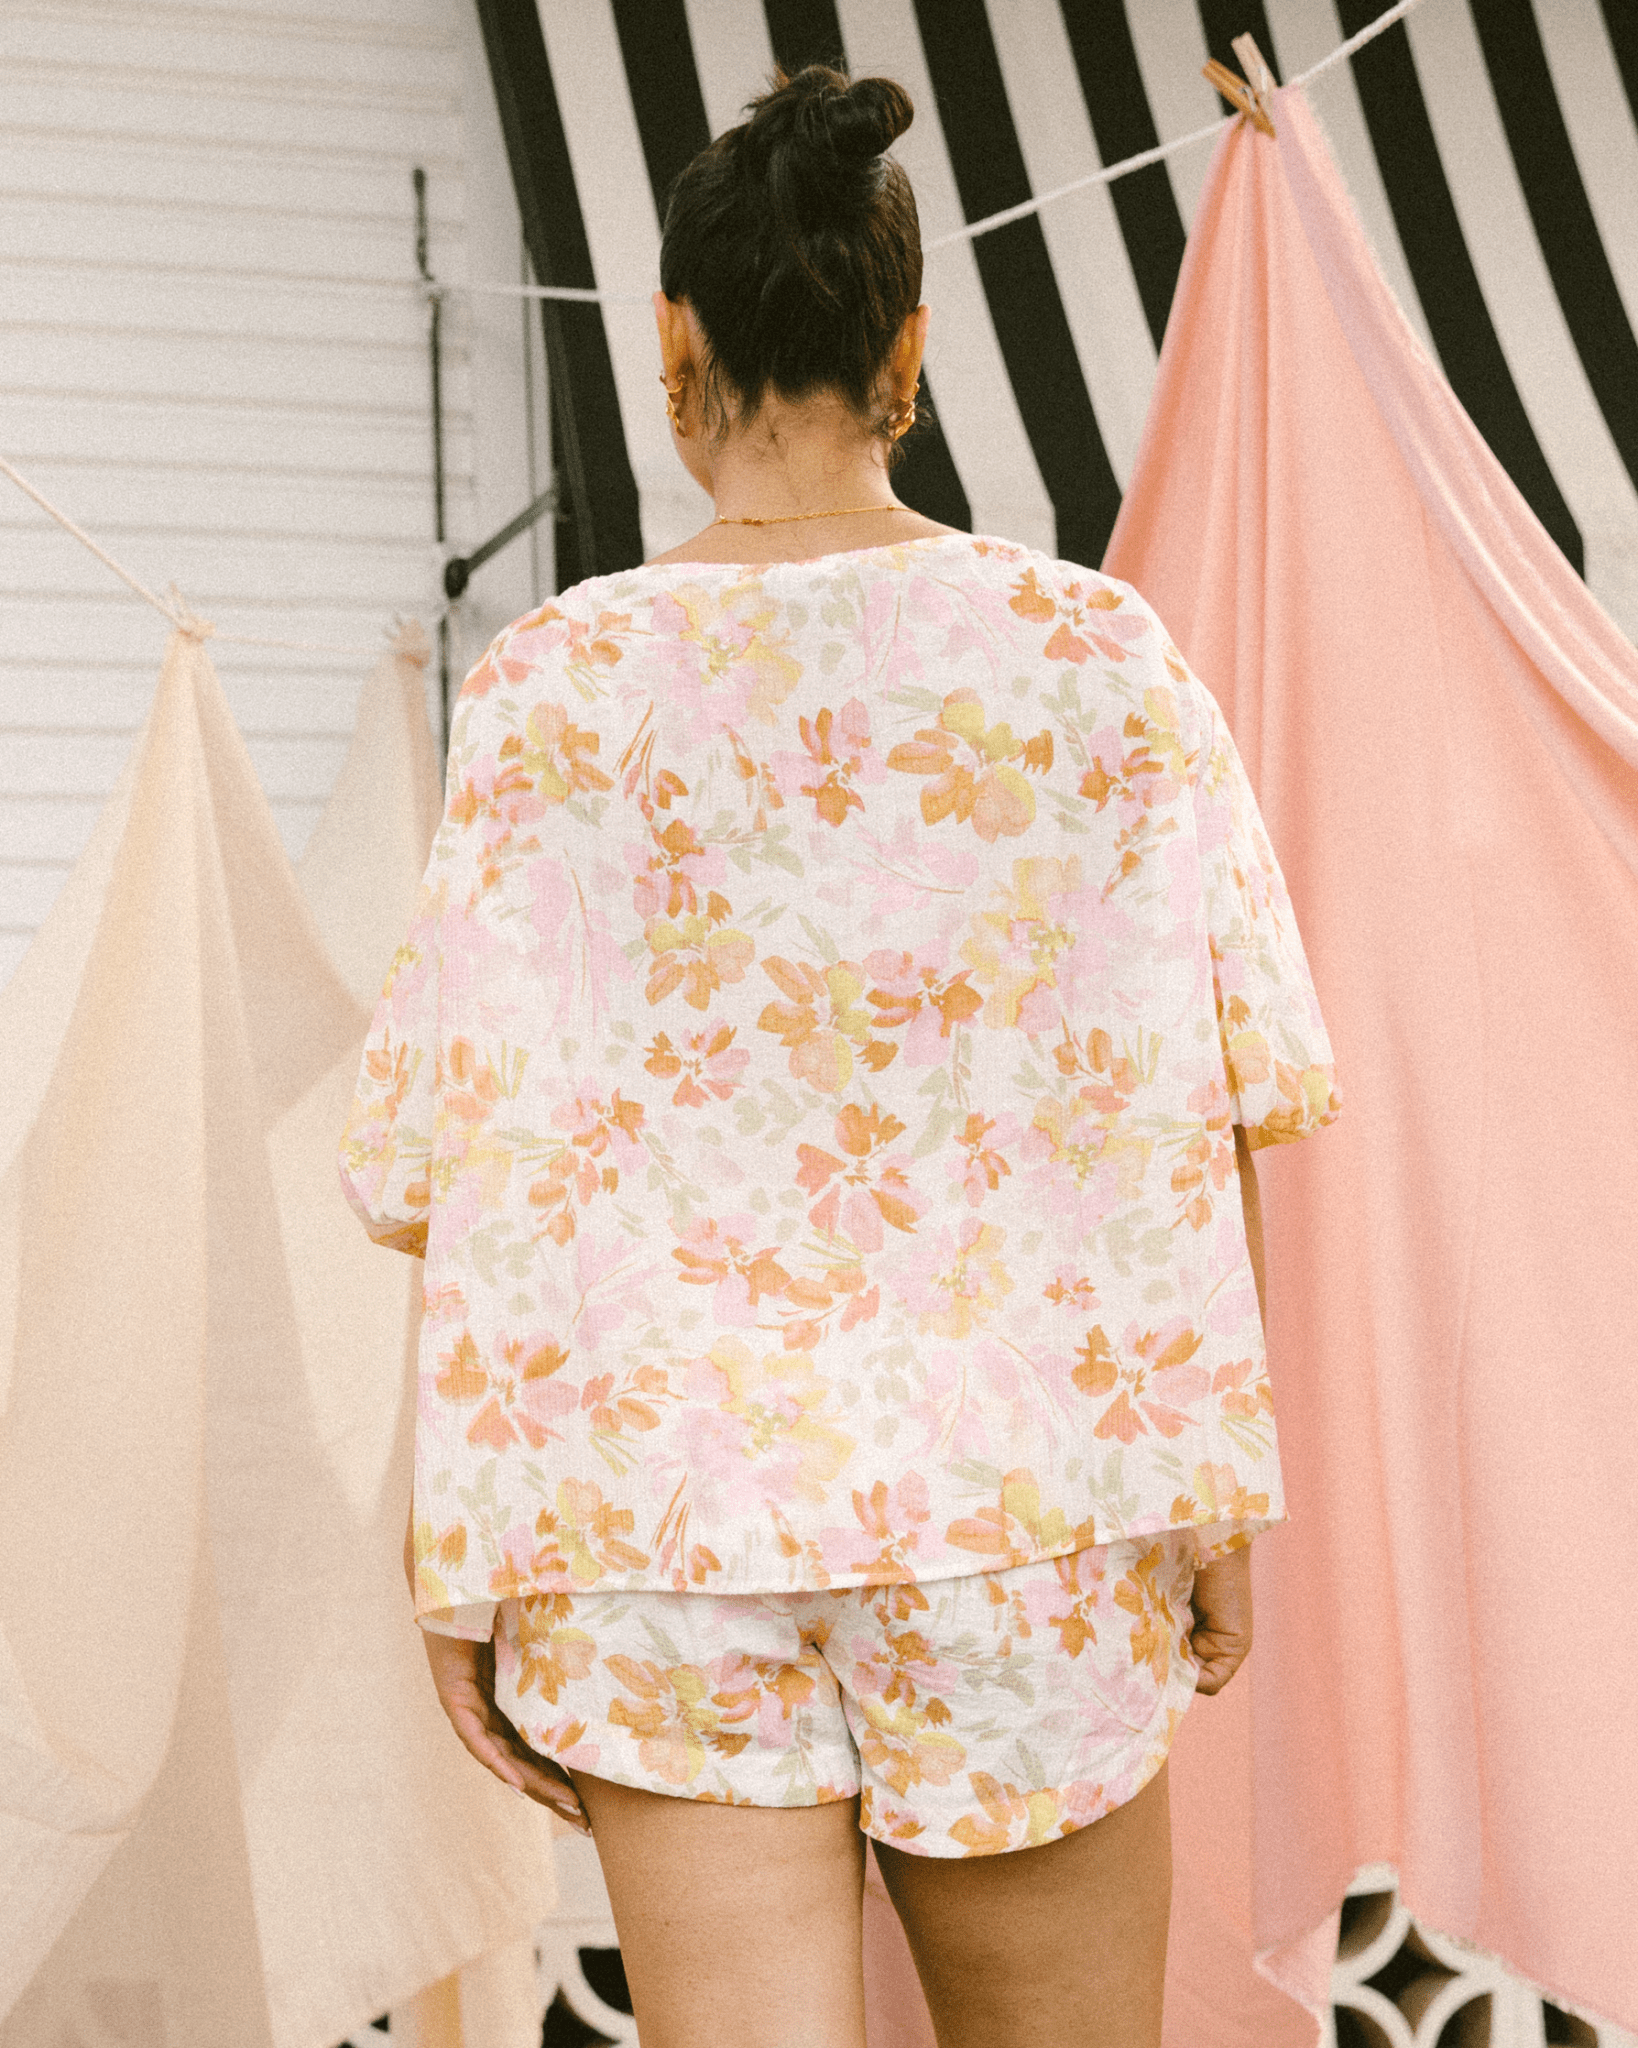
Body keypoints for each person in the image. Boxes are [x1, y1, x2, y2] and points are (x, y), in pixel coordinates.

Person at [340, 62, 1339, 2048]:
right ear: (908, 351)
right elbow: (1210, 1095)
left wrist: (465, 1559)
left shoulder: (551, 690)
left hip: (661, 1530)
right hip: (1025, 1510)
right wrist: (1212, 1488)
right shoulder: (1094, 657)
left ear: (672, 345)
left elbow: (465, 1156)